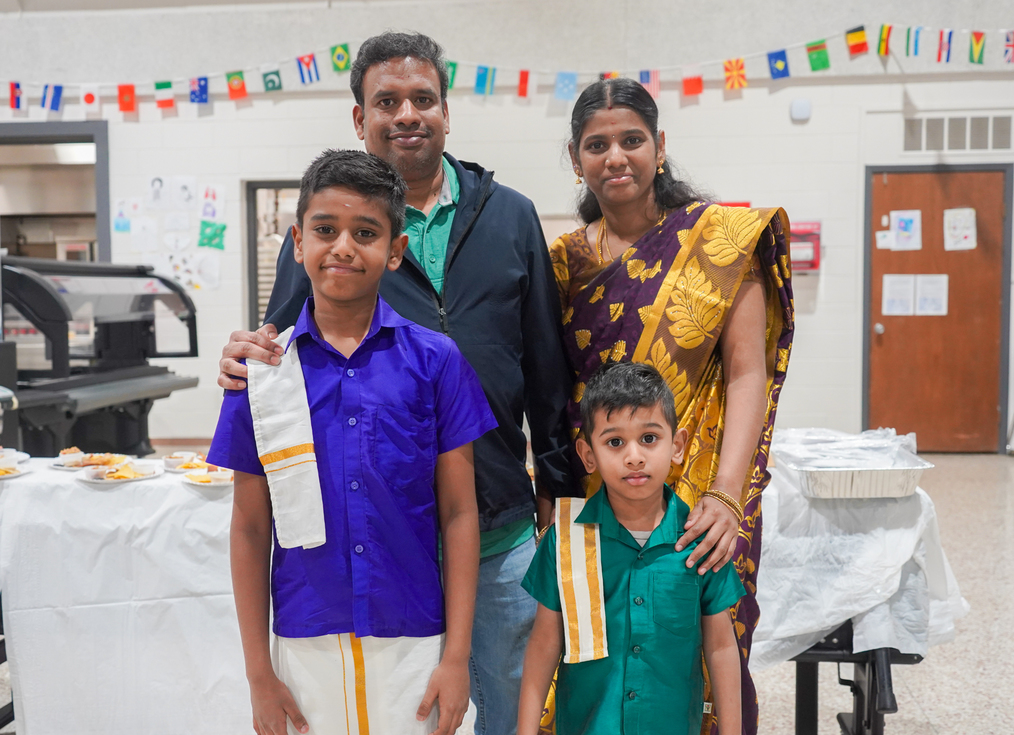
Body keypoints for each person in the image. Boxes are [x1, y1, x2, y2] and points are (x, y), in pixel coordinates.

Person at [217, 32, 575, 735]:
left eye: (422, 99)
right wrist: (239, 354)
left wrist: (554, 487)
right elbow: (279, 347)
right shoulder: (336, 227)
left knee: (504, 704)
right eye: (387, 101)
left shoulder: (510, 216)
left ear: (447, 111)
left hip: (492, 517)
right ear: (360, 118)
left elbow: (546, 364)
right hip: (373, 535)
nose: (406, 113)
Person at [209, 149, 497, 735]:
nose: (343, 246)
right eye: (325, 229)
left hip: (413, 636)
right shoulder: (263, 371)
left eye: (365, 232)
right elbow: (248, 526)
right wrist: (258, 673)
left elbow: (460, 511)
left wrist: (456, 657)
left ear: (395, 251)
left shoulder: (436, 362)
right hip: (304, 637)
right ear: (297, 242)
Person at [548, 77, 794, 734]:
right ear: (576, 158)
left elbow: (748, 373)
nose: (616, 156)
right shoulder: (563, 264)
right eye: (597, 144)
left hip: (697, 493)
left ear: (659, 146)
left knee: (702, 653)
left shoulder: (722, 241)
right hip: (599, 495)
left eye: (632, 139)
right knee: (598, 663)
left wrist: (726, 495)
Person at [518, 361, 745, 735]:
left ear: (678, 446)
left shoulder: (701, 539)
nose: (634, 456)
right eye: (615, 442)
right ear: (588, 455)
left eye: (650, 438)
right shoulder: (566, 540)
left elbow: (720, 646)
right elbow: (544, 643)